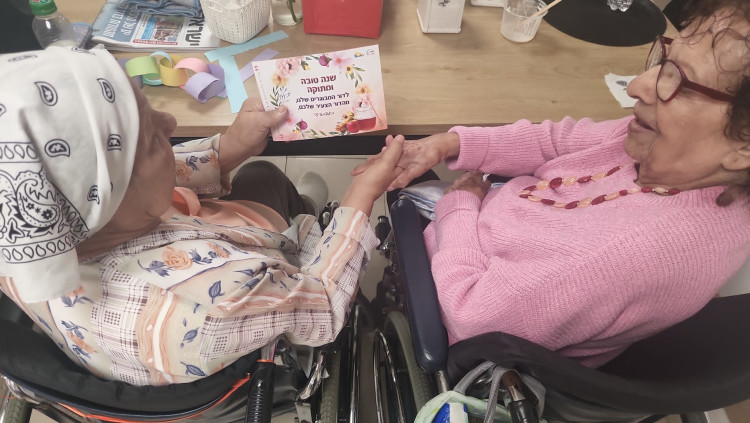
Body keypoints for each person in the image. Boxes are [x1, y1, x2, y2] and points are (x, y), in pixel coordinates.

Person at [355, 0, 750, 367]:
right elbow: (557, 141)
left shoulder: (621, 256)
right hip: (492, 226)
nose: (637, 86)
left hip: (454, 302)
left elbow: (470, 316)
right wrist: (451, 143)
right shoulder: (664, 147)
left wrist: (459, 207)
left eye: (679, 82)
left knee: (390, 203)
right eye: (664, 60)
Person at [0, 46, 404, 386]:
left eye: (150, 111)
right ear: (109, 198)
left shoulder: (27, 225)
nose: (171, 123)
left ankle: (301, 211)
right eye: (154, 139)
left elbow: (120, 171)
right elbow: (325, 307)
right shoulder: (215, 303)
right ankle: (309, 222)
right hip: (259, 304)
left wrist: (227, 148)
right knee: (268, 181)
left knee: (257, 175)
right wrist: (362, 194)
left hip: (185, 258)